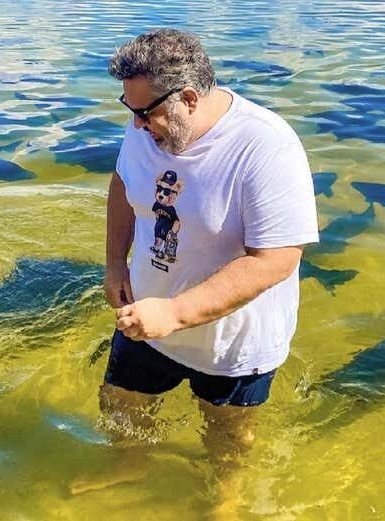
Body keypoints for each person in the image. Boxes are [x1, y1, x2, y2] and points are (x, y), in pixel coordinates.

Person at [74, 29, 319, 513]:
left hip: (233, 340)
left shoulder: (265, 147)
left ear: (188, 97)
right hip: (147, 316)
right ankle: (129, 464)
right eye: (130, 110)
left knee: (228, 439)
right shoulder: (146, 124)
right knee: (120, 404)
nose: (138, 125)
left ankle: (225, 495)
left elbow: (276, 259)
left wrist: (177, 313)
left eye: (146, 113)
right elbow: (124, 182)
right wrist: (113, 263)